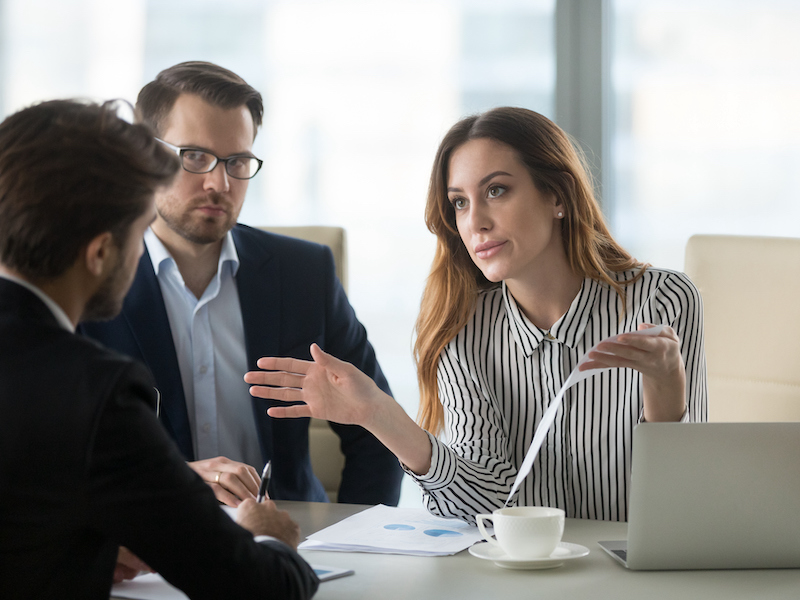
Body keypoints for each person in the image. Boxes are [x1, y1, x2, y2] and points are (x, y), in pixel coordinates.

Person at [245, 107, 707, 524]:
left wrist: (665, 387)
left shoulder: (661, 300)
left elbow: (688, 503)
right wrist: (377, 414)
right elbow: (486, 506)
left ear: (557, 197)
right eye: (460, 202)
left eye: (497, 190)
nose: (475, 221)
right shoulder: (462, 329)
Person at [0, 99, 318, 598]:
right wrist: (268, 539)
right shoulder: (94, 391)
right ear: (102, 252)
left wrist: (87, 551)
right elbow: (261, 589)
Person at [80, 61, 403, 506]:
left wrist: (353, 542)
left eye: (238, 161)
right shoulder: (88, 278)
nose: (220, 182)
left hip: (289, 543)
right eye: (194, 156)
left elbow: (377, 433)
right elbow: (54, 457)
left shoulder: (303, 273)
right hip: (148, 548)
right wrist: (175, 481)